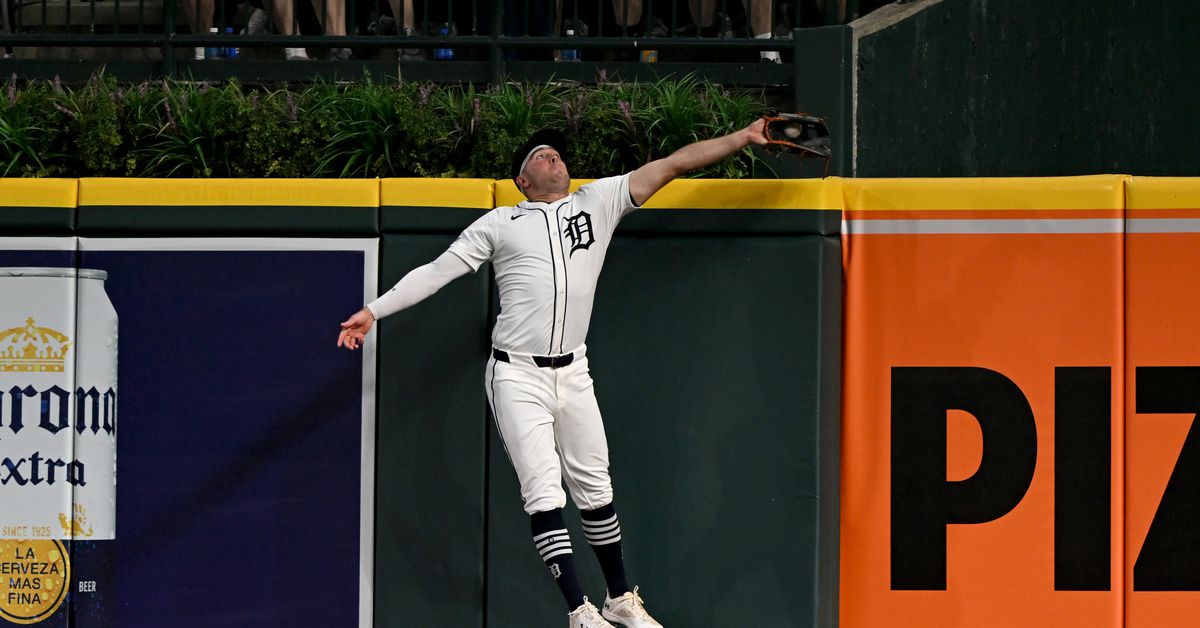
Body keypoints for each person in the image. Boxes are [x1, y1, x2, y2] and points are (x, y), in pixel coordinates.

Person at [337, 118, 769, 627]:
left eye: (557, 153)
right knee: (544, 492)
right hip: (517, 376)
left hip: (574, 370)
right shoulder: (500, 223)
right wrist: (375, 310)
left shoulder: (598, 201)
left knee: (596, 488)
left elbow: (673, 164)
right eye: (540, 156)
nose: (554, 158)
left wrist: (742, 138)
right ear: (522, 180)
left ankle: (618, 600)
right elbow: (437, 271)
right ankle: (579, 611)